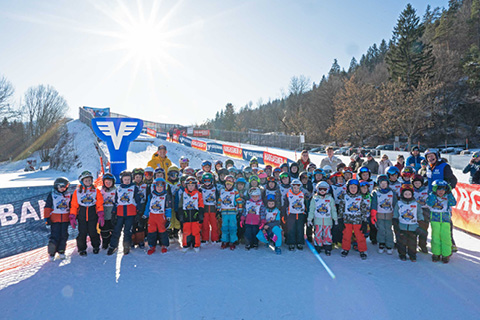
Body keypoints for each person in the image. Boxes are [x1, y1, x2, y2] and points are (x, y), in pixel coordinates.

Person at [425, 148, 458, 252]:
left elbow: (453, 180)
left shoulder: (444, 166)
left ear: (437, 156)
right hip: (432, 197)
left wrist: (447, 189)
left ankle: (450, 243)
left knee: (445, 221)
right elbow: (427, 180)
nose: (430, 158)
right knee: (434, 221)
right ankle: (436, 243)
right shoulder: (428, 167)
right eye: (428, 157)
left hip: (443, 197)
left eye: (432, 156)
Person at [71, 171, 104, 256]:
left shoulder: (96, 191)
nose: (88, 182)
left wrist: (100, 214)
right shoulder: (77, 191)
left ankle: (96, 246)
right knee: (82, 233)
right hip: (82, 214)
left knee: (93, 232)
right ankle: (81, 249)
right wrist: (72, 216)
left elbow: (99, 203)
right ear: (82, 181)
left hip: (92, 214)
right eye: (86, 181)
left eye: (89, 180)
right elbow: (74, 205)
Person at [108, 171, 141, 256]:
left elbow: (138, 200)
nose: (127, 181)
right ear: (122, 180)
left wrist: (138, 212)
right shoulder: (119, 188)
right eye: (125, 179)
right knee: (117, 230)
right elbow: (116, 201)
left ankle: (126, 246)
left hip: (130, 213)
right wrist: (113, 213)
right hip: (120, 213)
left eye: (128, 179)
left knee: (127, 231)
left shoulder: (134, 188)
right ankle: (113, 246)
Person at [426, 180, 457, 263]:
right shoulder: (432, 196)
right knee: (435, 237)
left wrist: (449, 193)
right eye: (439, 190)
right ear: (435, 189)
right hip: (435, 220)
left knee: (446, 237)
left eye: (443, 190)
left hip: (445, 220)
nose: (441, 192)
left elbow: (453, 203)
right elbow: (429, 203)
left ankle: (446, 254)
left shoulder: (447, 196)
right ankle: (436, 253)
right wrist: (433, 194)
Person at [338, 179, 368, 259]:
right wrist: (340, 219)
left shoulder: (360, 197)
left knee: (360, 236)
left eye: (355, 187)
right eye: (351, 187)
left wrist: (364, 221)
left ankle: (362, 250)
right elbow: (341, 208)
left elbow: (363, 210)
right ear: (348, 188)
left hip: (357, 220)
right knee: (346, 235)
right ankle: (345, 248)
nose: (353, 189)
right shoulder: (345, 197)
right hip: (347, 220)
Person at [43, 177, 72, 261]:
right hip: (55, 220)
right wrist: (46, 217)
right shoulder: (52, 195)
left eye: (65, 186)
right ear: (56, 186)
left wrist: (73, 216)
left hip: (65, 219)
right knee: (54, 236)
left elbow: (72, 206)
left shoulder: (69, 195)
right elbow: (47, 207)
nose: (63, 188)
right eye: (61, 186)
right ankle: (51, 253)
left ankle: (61, 251)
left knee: (64, 235)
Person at [393, 184, 424, 262]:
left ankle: (412, 254)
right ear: (402, 194)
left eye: (409, 194)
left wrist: (421, 224)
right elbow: (396, 212)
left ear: (412, 194)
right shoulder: (399, 203)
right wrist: (395, 221)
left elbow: (419, 214)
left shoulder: (416, 204)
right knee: (401, 242)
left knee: (412, 242)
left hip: (413, 227)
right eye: (405, 194)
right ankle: (402, 254)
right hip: (402, 226)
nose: (407, 195)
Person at [308, 181, 337, 255]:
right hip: (318, 220)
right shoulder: (314, 198)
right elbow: (312, 209)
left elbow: (333, 209)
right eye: (320, 189)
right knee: (318, 234)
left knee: (327, 234)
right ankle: (318, 246)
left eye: (324, 189)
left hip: (327, 220)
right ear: (317, 189)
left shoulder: (330, 198)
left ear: (327, 190)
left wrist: (335, 219)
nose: (322, 191)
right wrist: (309, 219)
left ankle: (327, 246)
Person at [143, 178, 172, 255]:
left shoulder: (166, 196)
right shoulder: (151, 195)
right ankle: (151, 246)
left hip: (161, 216)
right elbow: (148, 205)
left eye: (161, 187)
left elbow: (168, 208)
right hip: (152, 216)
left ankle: (164, 245)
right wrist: (145, 214)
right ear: (154, 187)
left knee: (162, 231)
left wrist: (168, 218)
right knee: (151, 231)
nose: (159, 188)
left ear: (164, 187)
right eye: (158, 187)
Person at [370, 174, 396, 253]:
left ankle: (389, 244)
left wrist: (395, 214)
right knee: (381, 229)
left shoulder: (391, 192)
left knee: (388, 230)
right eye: (382, 183)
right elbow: (374, 203)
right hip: (379, 214)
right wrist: (373, 214)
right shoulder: (375, 193)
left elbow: (395, 203)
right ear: (379, 184)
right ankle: (381, 243)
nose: (383, 185)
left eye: (385, 183)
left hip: (389, 215)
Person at [217, 175, 244, 250]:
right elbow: (219, 200)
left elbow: (239, 201)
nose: (228, 186)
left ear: (232, 184)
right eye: (227, 184)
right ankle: (225, 240)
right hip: (224, 212)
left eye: (230, 184)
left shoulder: (235, 191)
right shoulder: (222, 191)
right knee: (224, 227)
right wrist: (218, 209)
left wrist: (240, 210)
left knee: (232, 227)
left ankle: (232, 241)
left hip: (232, 212)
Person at [178, 176, 204, 252]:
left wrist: (201, 215)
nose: (191, 187)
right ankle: (186, 244)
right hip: (186, 216)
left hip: (195, 215)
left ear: (195, 186)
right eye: (189, 185)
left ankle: (196, 245)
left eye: (192, 185)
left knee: (196, 231)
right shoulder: (184, 194)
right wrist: (181, 215)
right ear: (186, 186)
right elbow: (180, 205)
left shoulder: (198, 194)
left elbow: (201, 204)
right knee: (186, 232)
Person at [282, 179, 307, 251]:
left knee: (300, 229)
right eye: (294, 188)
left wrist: (306, 215)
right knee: (291, 229)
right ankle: (291, 243)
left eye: (297, 188)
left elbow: (305, 205)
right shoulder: (288, 194)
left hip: (300, 214)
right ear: (292, 188)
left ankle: (299, 242)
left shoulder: (302, 195)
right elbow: (285, 206)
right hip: (291, 215)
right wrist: (284, 215)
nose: (296, 189)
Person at [199, 172, 220, 243]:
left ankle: (215, 238)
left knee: (214, 224)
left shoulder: (214, 188)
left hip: (213, 209)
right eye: (205, 181)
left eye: (209, 180)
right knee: (205, 225)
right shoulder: (201, 189)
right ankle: (205, 238)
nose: (207, 182)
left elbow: (218, 199)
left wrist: (218, 209)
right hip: (204, 209)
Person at [98, 173, 117, 250]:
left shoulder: (116, 190)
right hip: (104, 214)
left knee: (113, 229)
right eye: (106, 182)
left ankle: (113, 243)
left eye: (110, 182)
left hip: (112, 213)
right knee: (104, 230)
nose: (108, 184)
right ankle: (105, 242)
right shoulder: (100, 191)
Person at [412, 174, 430, 253]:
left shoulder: (426, 190)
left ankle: (422, 244)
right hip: (414, 211)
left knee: (424, 229)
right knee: (414, 228)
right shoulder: (411, 190)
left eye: (419, 183)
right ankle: (413, 244)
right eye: (415, 183)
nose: (417, 185)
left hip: (424, 210)